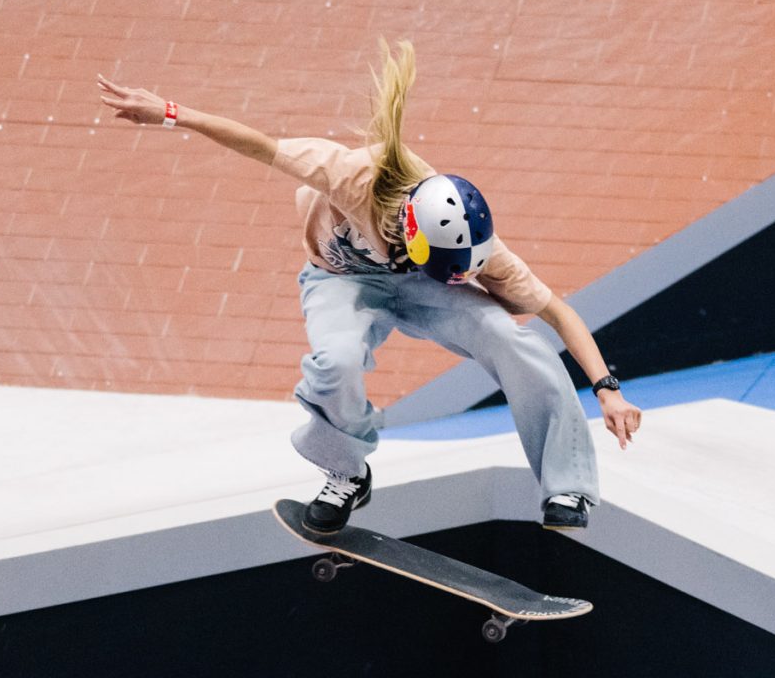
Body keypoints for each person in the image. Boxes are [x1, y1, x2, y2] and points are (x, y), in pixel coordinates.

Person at [96, 41, 641, 533]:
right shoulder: (349, 174)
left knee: (511, 337)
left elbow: (557, 312)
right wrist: (172, 113)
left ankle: (567, 486)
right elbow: (260, 145)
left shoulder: (479, 250)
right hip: (341, 279)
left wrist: (607, 389)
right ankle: (346, 474)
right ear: (412, 232)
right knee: (334, 363)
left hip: (420, 287)